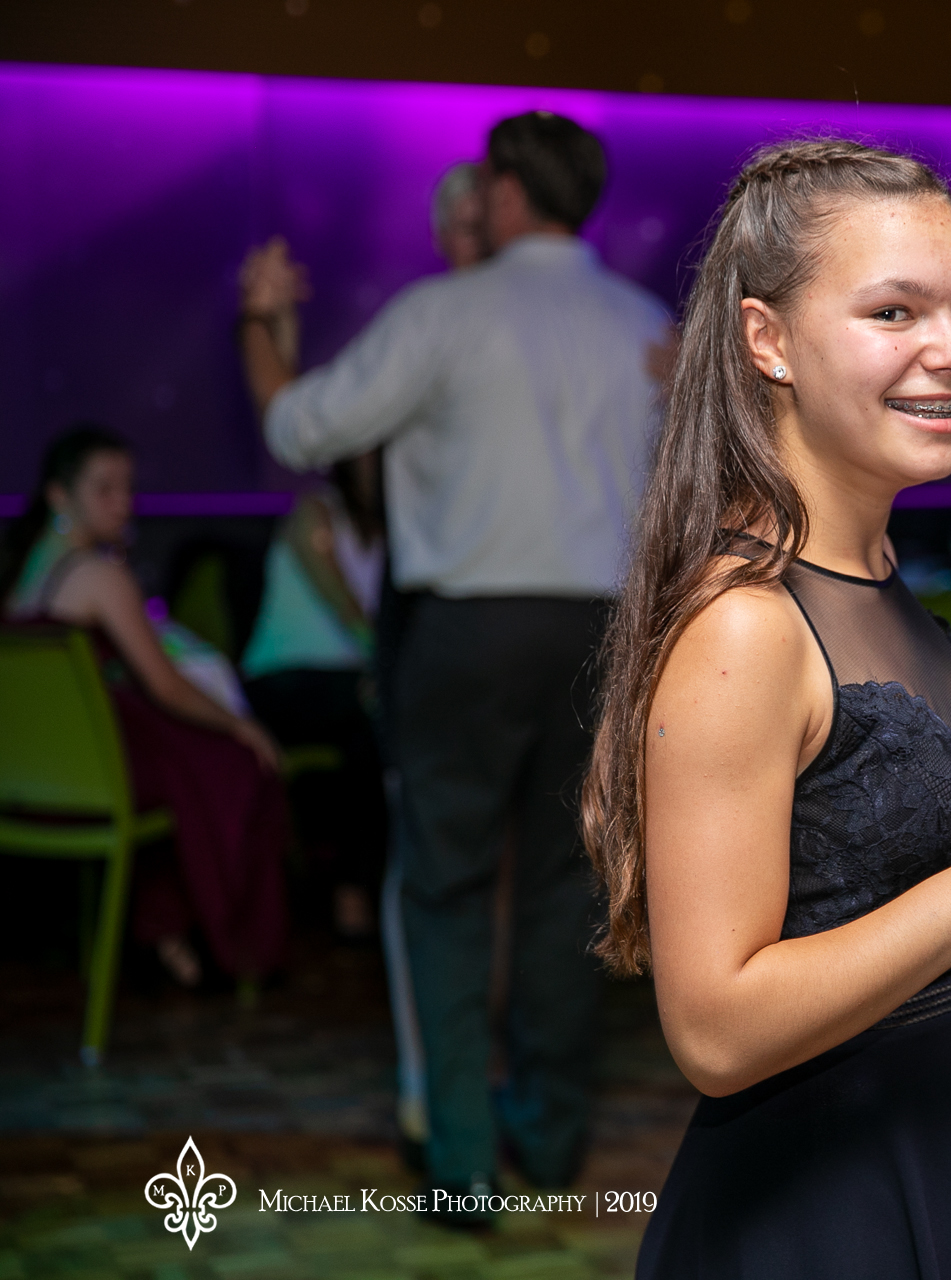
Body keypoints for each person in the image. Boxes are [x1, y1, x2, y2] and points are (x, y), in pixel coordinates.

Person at [580, 138, 951, 1279]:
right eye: (894, 312)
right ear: (767, 340)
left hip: (946, 1115)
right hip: (828, 1191)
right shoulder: (748, 624)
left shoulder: (862, 562)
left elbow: (892, 797)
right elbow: (716, 1030)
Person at [242, 111, 676, 1203]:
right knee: (565, 888)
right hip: (604, 634)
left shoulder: (443, 312)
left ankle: (463, 1160)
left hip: (466, 633)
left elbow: (299, 431)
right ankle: (555, 1140)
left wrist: (258, 322)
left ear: (509, 194)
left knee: (444, 887)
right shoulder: (644, 326)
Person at [2, 426, 289, 991]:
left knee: (195, 767)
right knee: (238, 766)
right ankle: (223, 946)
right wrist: (244, 726)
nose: (122, 502)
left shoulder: (23, 572)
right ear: (59, 495)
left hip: (34, 776)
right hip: (95, 770)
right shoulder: (99, 575)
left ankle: (165, 932)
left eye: (127, 487)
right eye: (104, 488)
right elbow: (166, 686)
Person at [240, 452, 386, 940]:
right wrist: (391, 669)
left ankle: (365, 884)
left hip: (350, 682)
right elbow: (345, 606)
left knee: (377, 726)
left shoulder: (395, 528)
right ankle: (353, 889)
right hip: (281, 679)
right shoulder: (314, 513)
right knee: (377, 712)